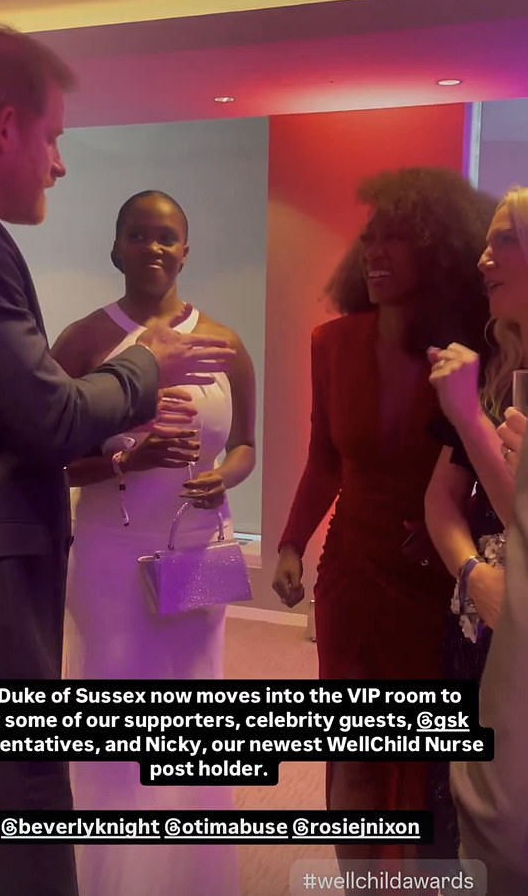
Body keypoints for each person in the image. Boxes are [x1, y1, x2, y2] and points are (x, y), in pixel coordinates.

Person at [0, 28, 234, 896]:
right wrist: (145, 361)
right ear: (4, 126)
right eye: (53, 138)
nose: (59, 165)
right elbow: (48, 413)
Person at [272, 167, 495, 877]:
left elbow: (476, 473)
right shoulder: (331, 343)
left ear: (439, 250)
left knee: (419, 752)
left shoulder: (472, 352)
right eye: (371, 238)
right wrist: (287, 544)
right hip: (351, 576)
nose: (375, 253)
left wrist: (449, 548)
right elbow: (323, 460)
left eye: (397, 239)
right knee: (351, 743)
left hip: (432, 585)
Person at [53, 189, 256, 896]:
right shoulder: (84, 341)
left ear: (187, 250)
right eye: (138, 235)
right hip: (111, 556)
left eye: (167, 236)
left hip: (201, 551)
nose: (154, 248)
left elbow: (247, 446)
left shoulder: (227, 342)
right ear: (116, 249)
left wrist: (224, 476)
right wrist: (127, 459)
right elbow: (43, 453)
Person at [424, 187, 528, 860]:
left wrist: (471, 419)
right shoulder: (496, 367)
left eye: (504, 240)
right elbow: (440, 499)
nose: (484, 257)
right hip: (478, 617)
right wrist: (473, 575)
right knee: (467, 812)